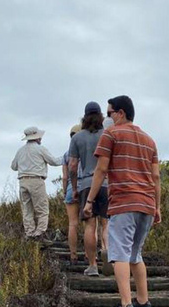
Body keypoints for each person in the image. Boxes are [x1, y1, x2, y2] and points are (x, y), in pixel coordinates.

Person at [83, 95, 160, 307]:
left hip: (124, 202)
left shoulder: (111, 134)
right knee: (136, 254)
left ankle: (126, 305)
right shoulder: (149, 140)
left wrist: (90, 201)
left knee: (120, 254)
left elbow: (101, 169)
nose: (107, 118)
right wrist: (158, 207)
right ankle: (143, 302)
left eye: (109, 113)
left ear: (121, 113)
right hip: (146, 203)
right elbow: (155, 176)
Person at [69, 101, 108, 277]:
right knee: (106, 223)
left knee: (90, 225)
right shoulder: (107, 135)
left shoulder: (77, 138)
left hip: (86, 184)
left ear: (84, 117)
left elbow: (72, 166)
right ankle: (106, 251)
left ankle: (92, 265)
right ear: (100, 116)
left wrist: (75, 187)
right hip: (106, 183)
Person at [11, 126, 63, 240]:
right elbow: (54, 161)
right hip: (36, 180)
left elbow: (13, 166)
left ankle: (29, 233)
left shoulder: (20, 151)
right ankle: (39, 233)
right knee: (42, 209)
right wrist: (67, 156)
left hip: (23, 181)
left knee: (27, 210)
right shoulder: (41, 149)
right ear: (37, 137)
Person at [62, 124, 82, 263]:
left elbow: (64, 177)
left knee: (73, 223)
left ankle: (73, 255)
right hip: (87, 187)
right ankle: (91, 256)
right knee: (91, 225)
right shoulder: (89, 151)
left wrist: (65, 191)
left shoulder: (66, 154)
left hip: (71, 188)